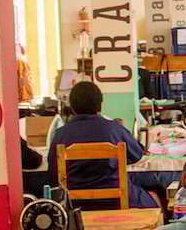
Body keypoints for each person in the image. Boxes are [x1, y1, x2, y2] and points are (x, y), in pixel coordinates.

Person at [47, 81, 159, 209]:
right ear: (100, 106)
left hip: (75, 204)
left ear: (72, 107)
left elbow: (54, 172)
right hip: (116, 200)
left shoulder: (61, 134)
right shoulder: (114, 129)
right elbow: (137, 154)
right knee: (154, 197)